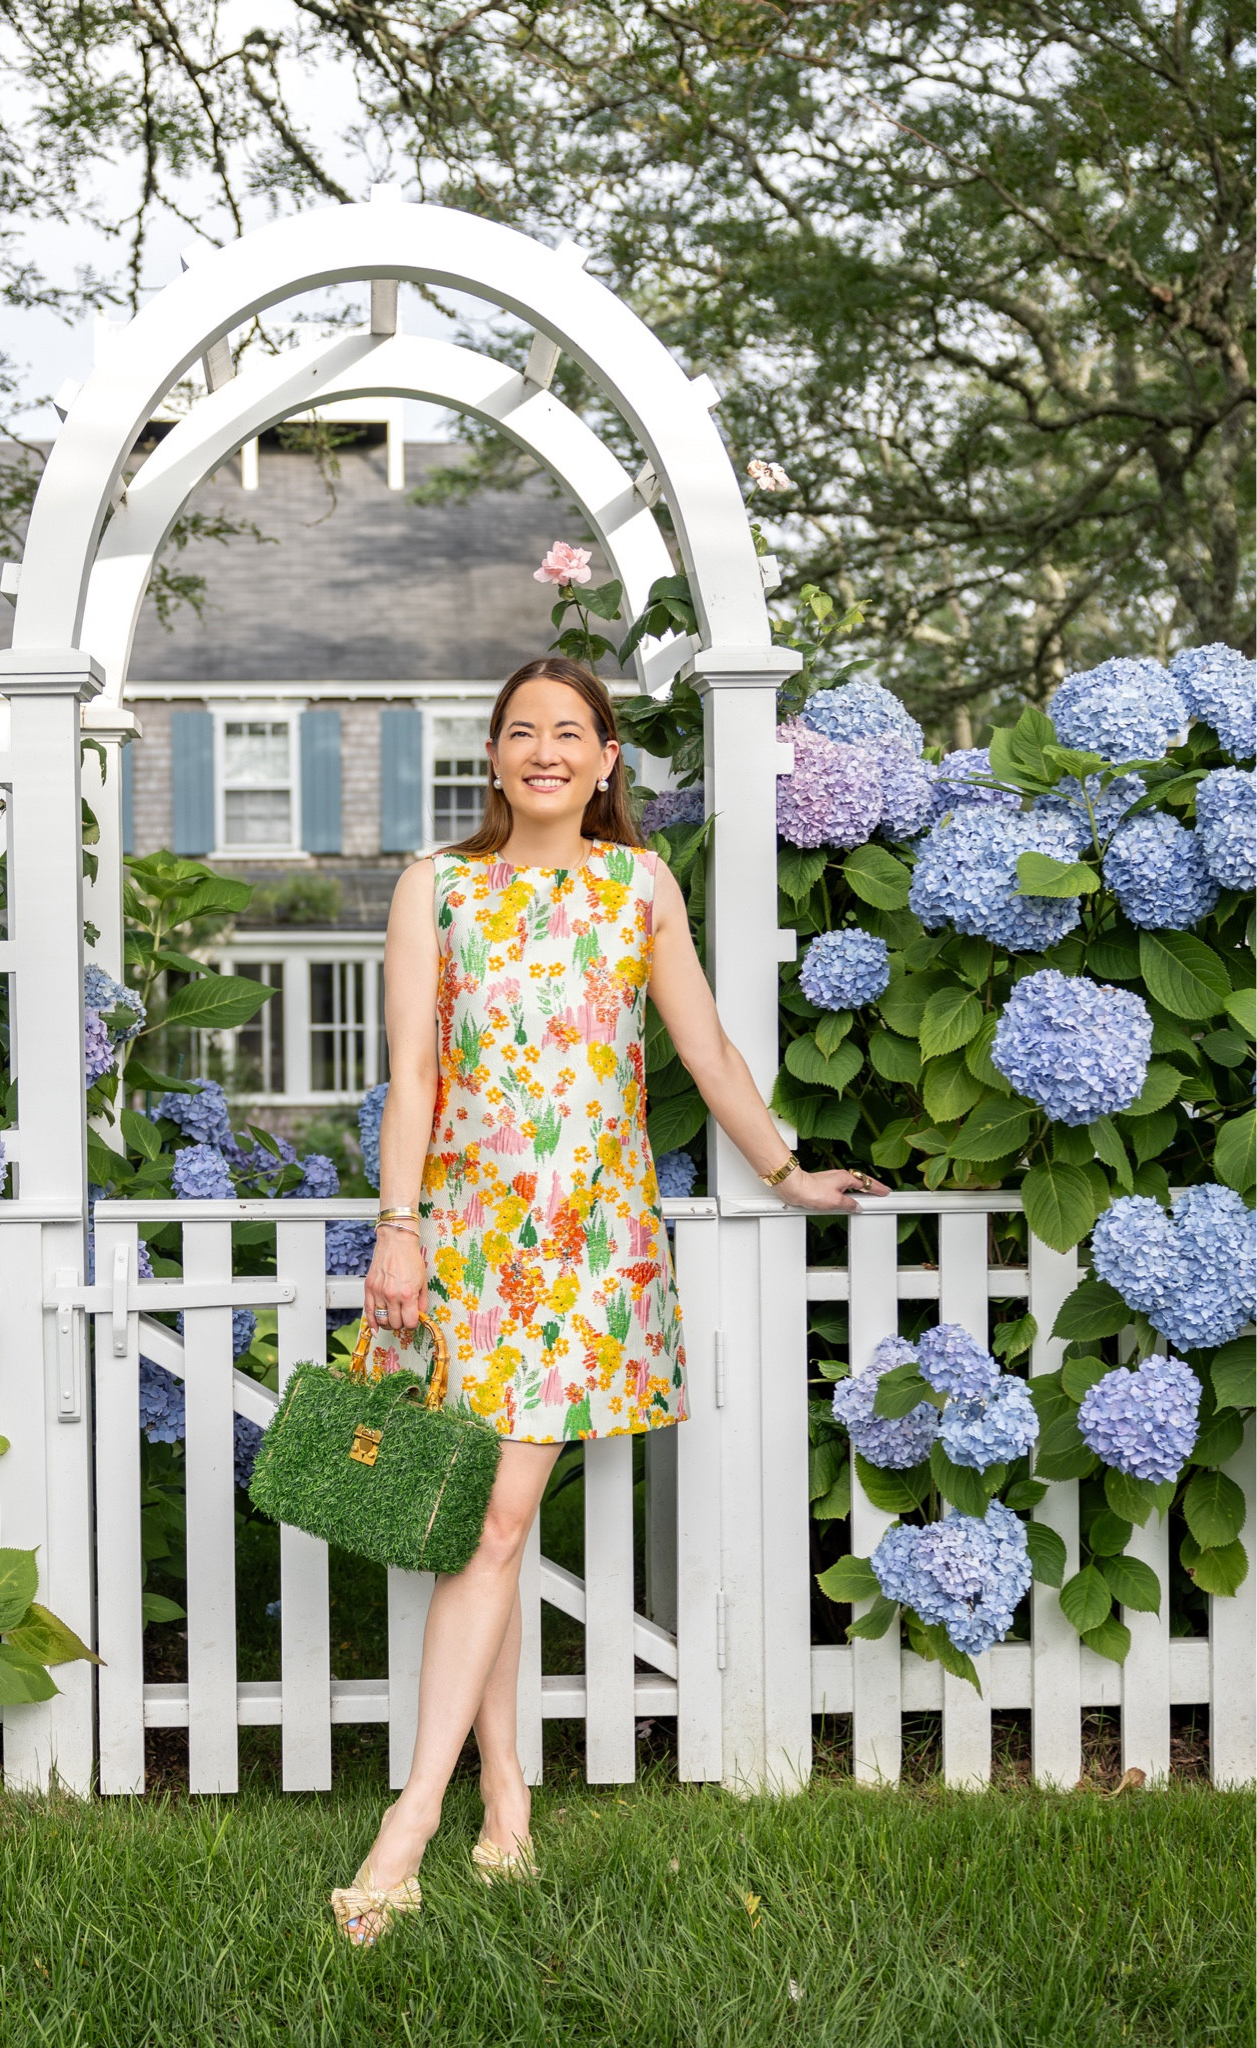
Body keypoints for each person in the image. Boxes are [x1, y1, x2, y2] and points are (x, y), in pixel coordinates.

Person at [332, 655, 885, 1943]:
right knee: (486, 1529)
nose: (545, 750)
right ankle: (501, 1805)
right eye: (521, 730)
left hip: (589, 1246)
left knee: (492, 1524)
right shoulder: (436, 887)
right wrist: (399, 1230)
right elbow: (413, 1074)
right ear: (494, 755)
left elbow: (706, 1046)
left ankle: (411, 1824)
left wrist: (787, 1172)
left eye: (570, 732)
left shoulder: (639, 885)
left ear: (606, 759)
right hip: (468, 1244)